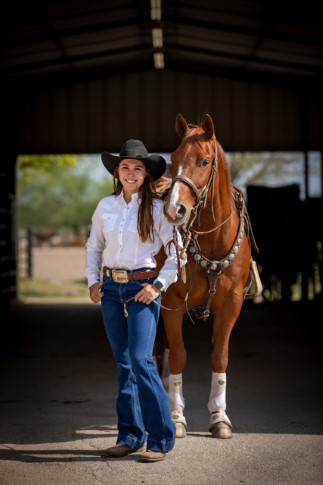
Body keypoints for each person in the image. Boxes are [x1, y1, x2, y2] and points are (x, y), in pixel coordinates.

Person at [85, 139, 184, 463]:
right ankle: (129, 436)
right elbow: (93, 247)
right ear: (117, 172)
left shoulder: (157, 209)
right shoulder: (105, 206)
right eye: (125, 167)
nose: (130, 172)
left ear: (146, 174)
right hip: (111, 290)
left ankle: (161, 438)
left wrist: (157, 286)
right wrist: (92, 280)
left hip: (143, 288)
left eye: (137, 168)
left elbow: (176, 254)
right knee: (124, 365)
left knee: (142, 361)